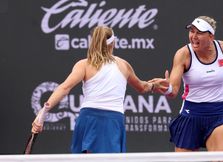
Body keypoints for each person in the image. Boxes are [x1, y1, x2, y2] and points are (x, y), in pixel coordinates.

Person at [31, 26, 162, 153]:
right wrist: (154, 85)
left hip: (89, 119)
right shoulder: (124, 65)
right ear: (113, 43)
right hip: (112, 120)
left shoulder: (83, 64)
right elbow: (142, 87)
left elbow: (65, 87)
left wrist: (43, 111)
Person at [151, 16, 223, 152]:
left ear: (211, 36)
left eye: (199, 32)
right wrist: (167, 88)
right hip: (190, 115)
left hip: (219, 114)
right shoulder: (183, 54)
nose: (194, 36)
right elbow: (173, 90)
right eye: (191, 31)